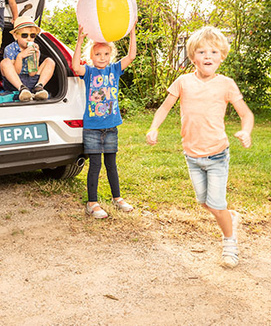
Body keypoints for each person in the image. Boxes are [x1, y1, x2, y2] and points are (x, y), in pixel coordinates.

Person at [145, 26, 254, 269]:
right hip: (192, 156)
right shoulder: (183, 82)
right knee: (205, 203)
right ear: (193, 56)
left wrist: (246, 131)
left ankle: (230, 243)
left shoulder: (226, 84)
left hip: (217, 155)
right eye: (202, 52)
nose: (208, 56)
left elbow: (246, 114)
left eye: (214, 51)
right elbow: (164, 107)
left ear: (222, 56)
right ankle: (231, 217)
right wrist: (154, 128)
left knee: (215, 204)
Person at [72, 24, 137, 219]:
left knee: (111, 164)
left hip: (111, 126)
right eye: (98, 54)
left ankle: (117, 198)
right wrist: (79, 41)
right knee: (95, 165)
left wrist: (132, 32)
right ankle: (92, 203)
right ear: (91, 56)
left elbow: (131, 56)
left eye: (106, 54)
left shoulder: (115, 69)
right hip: (92, 127)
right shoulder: (90, 72)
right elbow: (75, 67)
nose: (102, 58)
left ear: (111, 55)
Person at [0, 16, 56, 101]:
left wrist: (35, 57)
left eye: (32, 35)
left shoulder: (34, 48)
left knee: (50, 61)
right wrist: (20, 56)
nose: (29, 38)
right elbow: (16, 72)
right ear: (16, 36)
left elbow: (32, 73)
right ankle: (22, 89)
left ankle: (39, 87)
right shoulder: (10, 48)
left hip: (31, 80)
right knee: (5, 62)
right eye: (24, 35)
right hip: (15, 82)